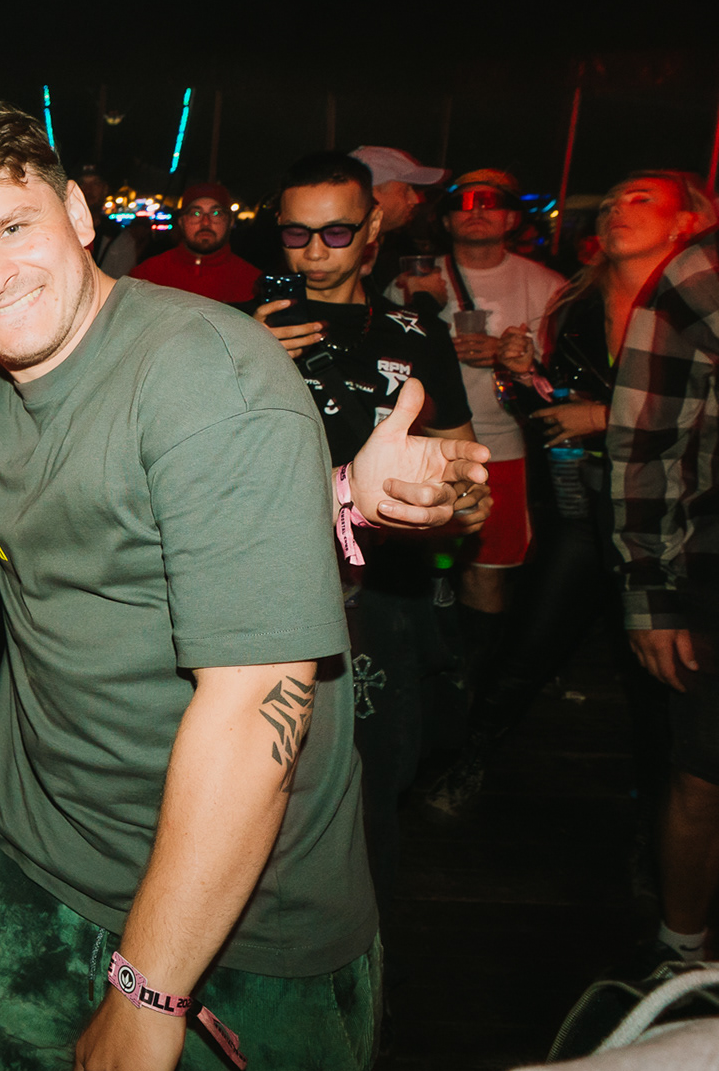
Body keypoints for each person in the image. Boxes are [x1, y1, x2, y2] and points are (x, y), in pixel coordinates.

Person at [0, 96, 490, 1071]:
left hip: (240, 927)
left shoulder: (204, 371)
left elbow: (253, 703)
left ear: (77, 214)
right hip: (33, 867)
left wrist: (149, 990)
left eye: (13, 227)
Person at [427, 173, 718, 821]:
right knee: (529, 646)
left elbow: (697, 420)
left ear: (687, 224)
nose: (616, 209)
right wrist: (520, 373)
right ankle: (468, 759)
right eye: (610, 201)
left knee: (664, 684)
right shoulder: (572, 304)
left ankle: (658, 827)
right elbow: (546, 408)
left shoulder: (699, 305)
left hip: (678, 520)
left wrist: (602, 417)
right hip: (585, 507)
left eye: (640, 199)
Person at [247, 152, 477, 914]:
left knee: (374, 781)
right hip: (270, 585)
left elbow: (460, 461)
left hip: (382, 595)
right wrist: (244, 355)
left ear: (374, 226)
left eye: (337, 233)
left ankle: (359, 949)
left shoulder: (417, 334)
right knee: (264, 778)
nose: (314, 253)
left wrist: (463, 498)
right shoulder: (239, 329)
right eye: (296, 234)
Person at [390, 169, 565, 699]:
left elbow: (564, 383)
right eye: (463, 202)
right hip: (420, 446)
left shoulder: (548, 286)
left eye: (491, 201)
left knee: (487, 573)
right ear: (446, 220)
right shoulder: (413, 276)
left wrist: (515, 361)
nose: (477, 209)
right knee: (422, 567)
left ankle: (471, 693)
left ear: (512, 218)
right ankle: (421, 687)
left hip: (503, 447)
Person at [609, 193, 719, 967]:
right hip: (713, 566)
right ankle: (681, 956)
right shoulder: (703, 273)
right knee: (706, 773)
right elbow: (647, 442)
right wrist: (650, 593)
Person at [128, 182, 259, 303]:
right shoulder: (146, 276)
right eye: (195, 213)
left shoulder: (253, 283)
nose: (206, 222)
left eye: (216, 213)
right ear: (181, 222)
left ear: (230, 221)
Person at [350, 146, 444, 296]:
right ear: (372, 193)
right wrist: (423, 299)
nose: (415, 200)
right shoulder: (345, 248)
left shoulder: (382, 249)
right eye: (406, 190)